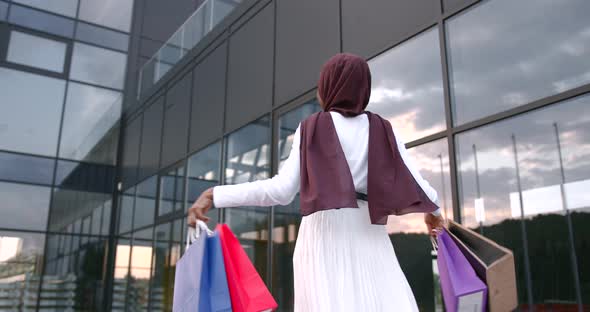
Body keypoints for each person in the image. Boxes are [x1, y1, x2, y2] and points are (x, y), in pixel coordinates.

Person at [188, 53, 444, 311]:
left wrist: (214, 194)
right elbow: (423, 189)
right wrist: (434, 213)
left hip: (322, 238)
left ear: (330, 86)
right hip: (369, 232)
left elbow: (281, 191)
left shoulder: (311, 128)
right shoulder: (384, 129)